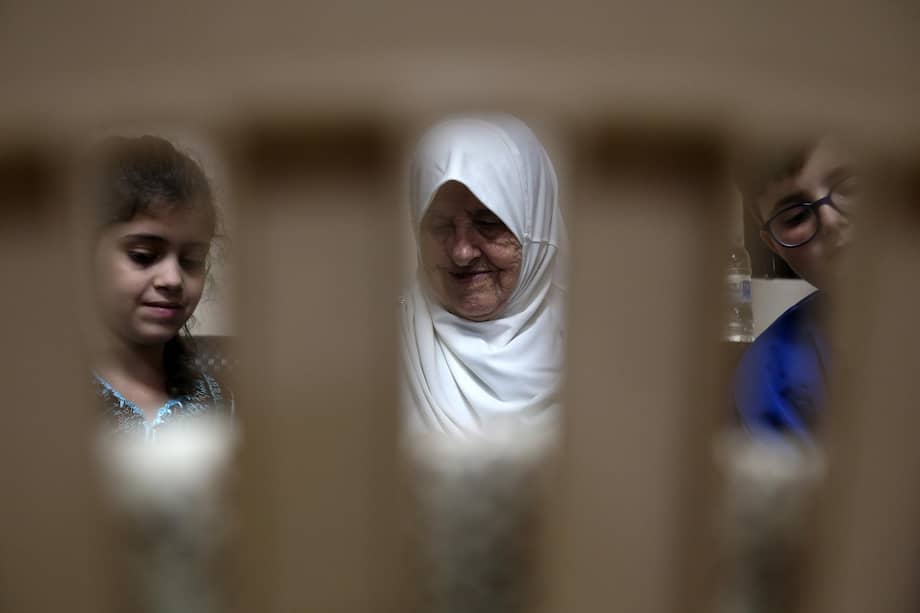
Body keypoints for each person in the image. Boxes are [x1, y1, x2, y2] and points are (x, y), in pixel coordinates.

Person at [400, 114, 568, 435]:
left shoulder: (598, 356)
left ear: (536, 224)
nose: (462, 252)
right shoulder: (383, 352)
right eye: (439, 226)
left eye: (488, 222)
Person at [79, 135, 233, 442]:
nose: (172, 279)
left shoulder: (218, 404)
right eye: (143, 256)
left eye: (191, 260)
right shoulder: (39, 402)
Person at [732, 138, 856, 439]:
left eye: (851, 189)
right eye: (796, 217)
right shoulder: (771, 374)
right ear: (775, 245)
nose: (830, 220)